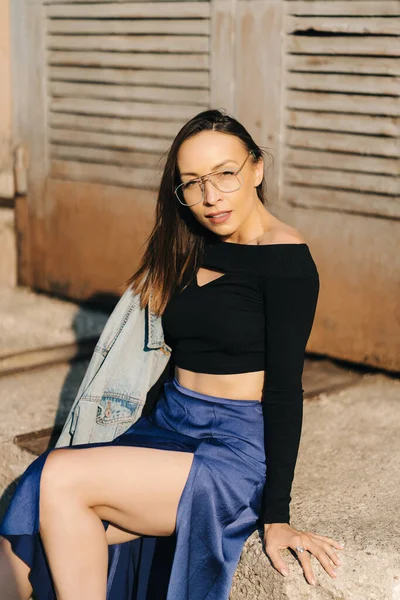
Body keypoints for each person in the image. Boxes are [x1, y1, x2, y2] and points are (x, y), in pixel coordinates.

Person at [0, 109, 344, 599]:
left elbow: (286, 390)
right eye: (193, 182)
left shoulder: (286, 262)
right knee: (21, 530)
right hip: (166, 426)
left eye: (225, 173)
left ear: (257, 169)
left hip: (228, 452)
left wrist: (277, 516)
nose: (210, 196)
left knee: (60, 477)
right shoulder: (190, 244)